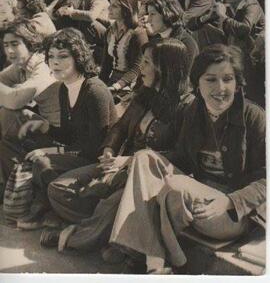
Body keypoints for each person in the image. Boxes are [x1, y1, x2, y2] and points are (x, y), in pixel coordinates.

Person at [108, 44, 265, 274]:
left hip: (232, 213)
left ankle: (149, 259)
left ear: (237, 83)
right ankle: (156, 265)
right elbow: (181, 158)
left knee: (174, 187)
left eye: (228, 79)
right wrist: (134, 162)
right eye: (210, 79)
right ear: (197, 83)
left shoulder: (255, 117)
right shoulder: (194, 111)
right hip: (197, 195)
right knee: (143, 158)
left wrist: (230, 201)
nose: (220, 88)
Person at [39, 38, 193, 251]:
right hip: (118, 167)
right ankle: (113, 229)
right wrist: (109, 150)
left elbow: (182, 155)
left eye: (147, 63)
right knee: (58, 188)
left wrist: (129, 160)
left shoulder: (187, 105)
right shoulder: (144, 95)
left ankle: (77, 237)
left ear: (165, 67)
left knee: (112, 204)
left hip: (147, 178)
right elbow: (119, 128)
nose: (141, 69)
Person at [16, 28, 117, 229]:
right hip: (79, 151)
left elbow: (96, 145)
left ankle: (47, 211)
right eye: (51, 56)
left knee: (43, 162)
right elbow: (69, 134)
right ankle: (50, 209)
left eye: (63, 56)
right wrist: (45, 127)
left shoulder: (94, 90)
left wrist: (53, 151)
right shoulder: (64, 87)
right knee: (31, 145)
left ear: (78, 57)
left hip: (97, 159)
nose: (55, 62)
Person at [0, 20, 60, 183]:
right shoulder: (22, 63)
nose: (9, 50)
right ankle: (11, 181)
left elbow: (14, 101)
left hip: (61, 134)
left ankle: (17, 182)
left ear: (29, 42)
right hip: (43, 126)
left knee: (8, 113)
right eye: (6, 45)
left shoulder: (43, 65)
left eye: (15, 44)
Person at [99, 0, 148, 92]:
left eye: (115, 6)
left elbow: (137, 67)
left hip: (131, 83)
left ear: (126, 10)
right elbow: (106, 63)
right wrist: (100, 85)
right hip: (113, 80)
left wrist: (118, 85)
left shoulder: (138, 33)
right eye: (110, 4)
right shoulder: (110, 31)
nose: (109, 8)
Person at [146, 0, 198, 64]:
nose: (148, 20)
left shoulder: (186, 44)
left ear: (167, 14)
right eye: (148, 14)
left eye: (152, 14)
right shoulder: (156, 38)